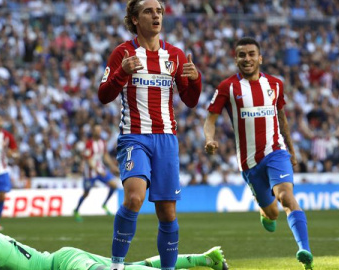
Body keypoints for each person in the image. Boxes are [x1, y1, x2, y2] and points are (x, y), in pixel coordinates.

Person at [97, 1, 202, 270]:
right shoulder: (122, 53)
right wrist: (122, 72)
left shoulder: (176, 56)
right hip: (134, 137)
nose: (156, 16)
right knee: (134, 197)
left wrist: (196, 79)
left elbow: (190, 100)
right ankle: (117, 264)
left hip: (166, 139)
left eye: (159, 12)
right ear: (134, 19)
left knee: (167, 212)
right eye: (148, 11)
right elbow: (104, 95)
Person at [203, 37, 313, 270]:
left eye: (252, 54)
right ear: (236, 59)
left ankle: (304, 249)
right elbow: (210, 119)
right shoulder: (227, 88)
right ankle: (264, 212)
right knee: (273, 212)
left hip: (276, 152)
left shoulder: (274, 84)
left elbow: (282, 118)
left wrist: (291, 151)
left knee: (286, 197)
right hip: (249, 163)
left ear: (260, 58)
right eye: (242, 55)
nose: (247, 59)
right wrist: (209, 139)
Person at [0, 214, 228, 270]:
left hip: (66, 265)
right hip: (64, 258)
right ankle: (205, 259)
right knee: (130, 265)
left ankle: (204, 260)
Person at [73, 124, 120, 222]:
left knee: (114, 185)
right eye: (97, 130)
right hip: (90, 173)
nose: (99, 132)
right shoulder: (89, 144)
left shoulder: (102, 142)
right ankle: (76, 210)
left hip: (100, 169)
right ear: (93, 132)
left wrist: (113, 167)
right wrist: (97, 171)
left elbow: (105, 156)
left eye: (100, 130)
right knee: (86, 193)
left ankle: (104, 204)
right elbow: (89, 160)